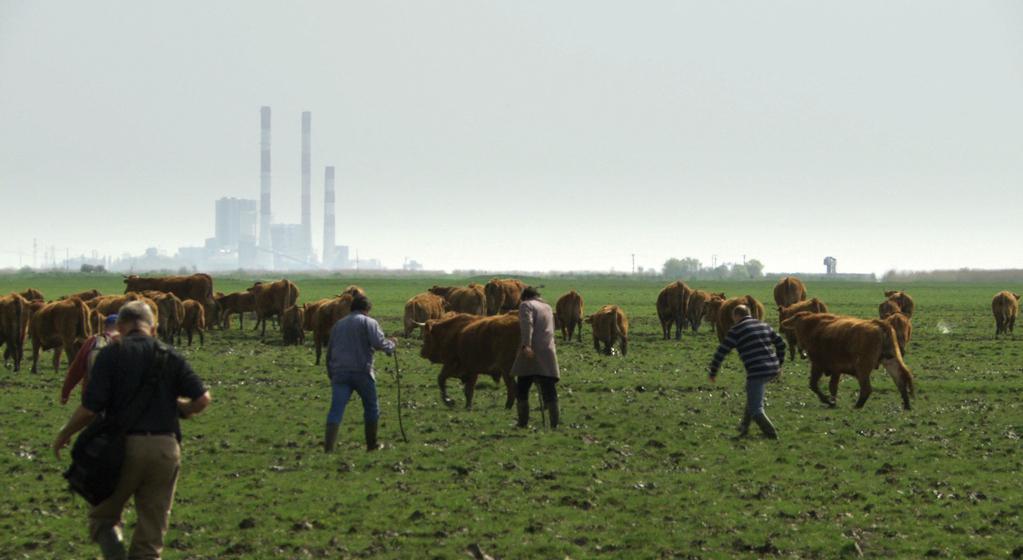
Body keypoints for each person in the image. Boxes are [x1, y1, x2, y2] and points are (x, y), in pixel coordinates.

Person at [52, 301, 212, 559]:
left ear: (121, 327)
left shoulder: (111, 354)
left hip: (122, 449)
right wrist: (178, 408)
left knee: (103, 519)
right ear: (153, 327)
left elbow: (90, 408)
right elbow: (202, 399)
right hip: (165, 450)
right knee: (150, 539)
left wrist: (65, 433)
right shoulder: (169, 354)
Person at [324, 294, 396, 453]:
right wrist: (391, 345)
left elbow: (329, 351)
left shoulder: (338, 325)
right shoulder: (368, 322)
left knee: (336, 408)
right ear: (367, 309)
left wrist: (331, 372)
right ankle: (371, 445)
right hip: (362, 371)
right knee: (371, 407)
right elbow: (378, 343)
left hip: (339, 372)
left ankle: (328, 448)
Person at [707, 304, 786, 439]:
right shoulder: (763, 325)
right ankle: (744, 428)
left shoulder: (736, 330)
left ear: (736, 316)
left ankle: (772, 434)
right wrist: (779, 363)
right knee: (752, 394)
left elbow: (721, 352)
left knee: (756, 409)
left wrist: (713, 372)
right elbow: (781, 343)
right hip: (772, 367)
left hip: (757, 370)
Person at [510, 286, 561, 429]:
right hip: (548, 351)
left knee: (522, 388)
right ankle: (554, 424)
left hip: (532, 352)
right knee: (549, 389)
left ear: (524, 297)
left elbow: (527, 325)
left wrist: (526, 345)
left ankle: (522, 423)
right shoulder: (547, 307)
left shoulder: (526, 305)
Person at [61, 314, 120, 405]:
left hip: (91, 397)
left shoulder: (93, 341)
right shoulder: (127, 342)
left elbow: (76, 370)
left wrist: (65, 393)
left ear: (104, 326)